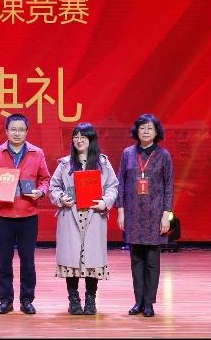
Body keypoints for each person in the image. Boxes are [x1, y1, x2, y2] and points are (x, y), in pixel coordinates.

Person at [0, 113, 50, 315]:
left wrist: (40, 192)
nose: (17, 133)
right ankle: (6, 300)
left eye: (21, 130)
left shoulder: (37, 153)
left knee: (28, 261)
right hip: (3, 214)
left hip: (28, 214)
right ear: (6, 131)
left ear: (27, 132)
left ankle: (27, 300)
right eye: (13, 129)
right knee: (4, 261)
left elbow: (45, 179)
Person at [48, 122, 118, 315]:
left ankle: (91, 299)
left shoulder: (103, 163)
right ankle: (74, 300)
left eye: (83, 137)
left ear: (91, 139)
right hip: (70, 215)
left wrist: (105, 202)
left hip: (93, 215)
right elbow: (53, 187)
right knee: (72, 259)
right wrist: (61, 198)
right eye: (76, 137)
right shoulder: (65, 164)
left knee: (91, 259)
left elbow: (113, 186)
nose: (78, 140)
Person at [115, 114, 174, 318]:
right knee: (136, 260)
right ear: (136, 131)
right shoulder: (128, 153)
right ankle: (138, 301)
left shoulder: (163, 155)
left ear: (156, 132)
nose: (146, 131)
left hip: (155, 214)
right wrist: (121, 211)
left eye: (150, 128)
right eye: (142, 128)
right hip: (133, 213)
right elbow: (121, 183)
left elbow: (169, 187)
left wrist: (166, 215)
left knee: (152, 261)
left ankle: (149, 303)